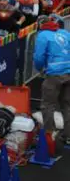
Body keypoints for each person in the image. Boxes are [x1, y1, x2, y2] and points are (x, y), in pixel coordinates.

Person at [33, 14, 70, 146]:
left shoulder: (43, 35)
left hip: (54, 74)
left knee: (48, 105)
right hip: (68, 71)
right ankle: (68, 136)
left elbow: (38, 57)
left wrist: (40, 69)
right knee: (67, 105)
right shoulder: (65, 33)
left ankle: (50, 135)